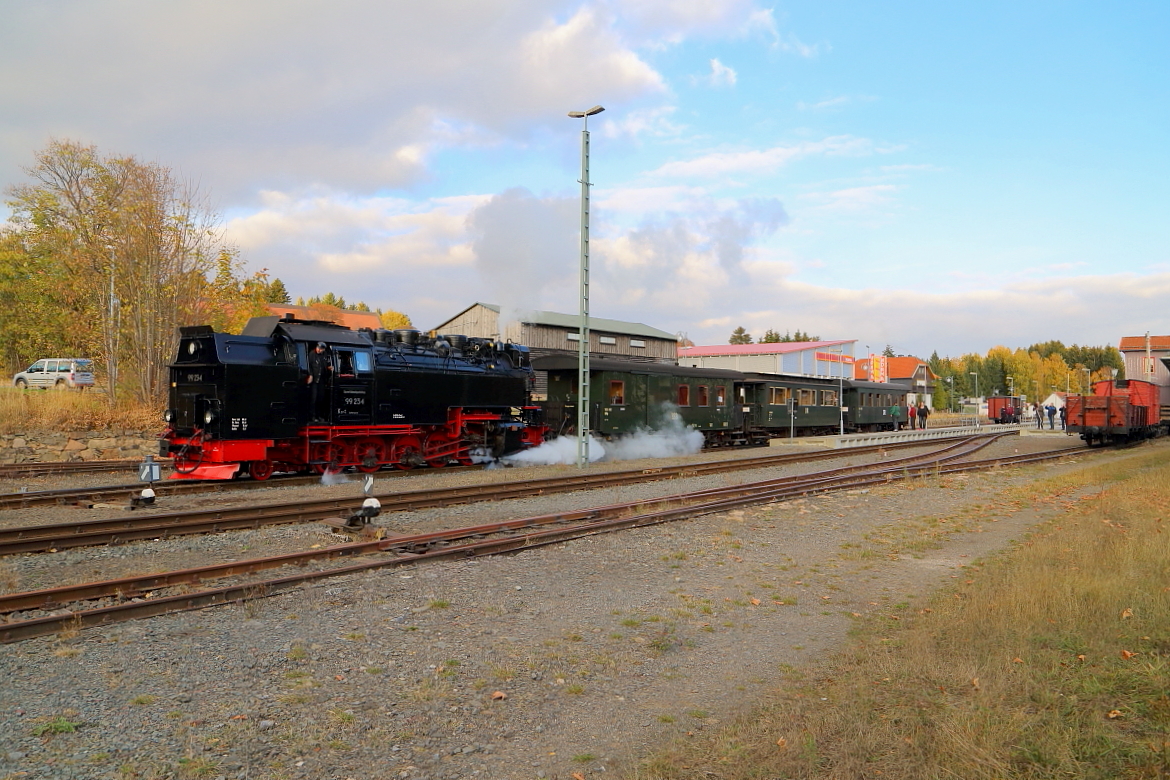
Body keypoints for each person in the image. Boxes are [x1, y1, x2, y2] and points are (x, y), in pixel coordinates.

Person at [306, 341, 332, 422]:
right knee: (313, 398)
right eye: (318, 348)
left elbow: (326, 365)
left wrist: (329, 368)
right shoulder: (311, 354)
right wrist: (310, 375)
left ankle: (319, 415)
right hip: (314, 379)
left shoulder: (325, 355)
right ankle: (312, 416)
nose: (319, 350)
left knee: (321, 398)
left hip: (322, 379)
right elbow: (309, 365)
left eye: (321, 349)